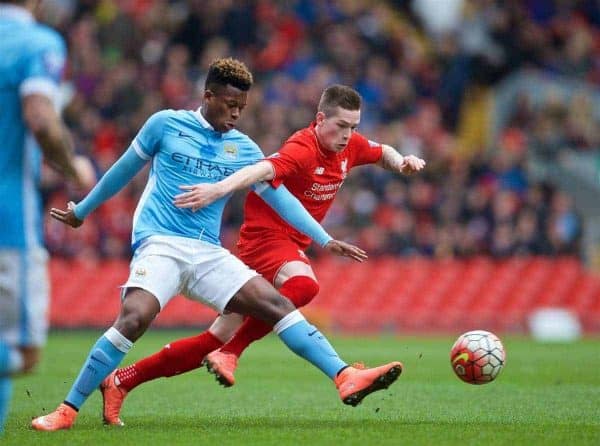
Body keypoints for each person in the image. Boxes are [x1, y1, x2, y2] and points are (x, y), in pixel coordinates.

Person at [31, 59, 403, 431]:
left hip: (207, 252)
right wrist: (84, 209)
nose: (237, 113)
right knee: (135, 316)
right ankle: (67, 410)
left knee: (276, 304)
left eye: (242, 106)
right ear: (208, 96)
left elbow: (281, 197)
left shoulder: (242, 148)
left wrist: (325, 239)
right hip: (161, 243)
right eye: (230, 105)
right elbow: (124, 170)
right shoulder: (165, 124)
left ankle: (343, 376)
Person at [0, 0, 95, 433]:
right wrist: (72, 166)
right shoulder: (36, 43)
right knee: (23, 351)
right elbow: (40, 117)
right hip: (7, 219)